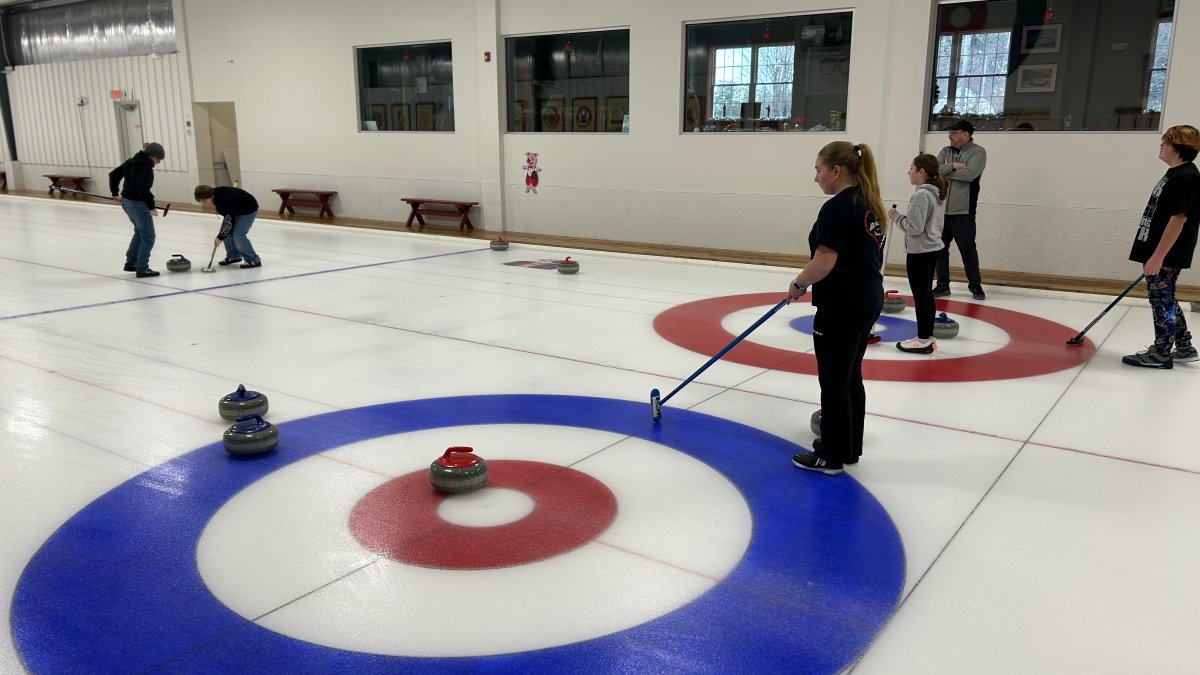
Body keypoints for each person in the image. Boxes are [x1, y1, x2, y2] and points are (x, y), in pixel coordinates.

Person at [788, 141, 887, 475]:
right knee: (850, 376)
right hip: (867, 299)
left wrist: (799, 283)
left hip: (842, 303)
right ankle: (848, 448)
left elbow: (824, 260)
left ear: (836, 170)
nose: (816, 177)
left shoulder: (838, 207)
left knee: (833, 381)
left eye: (818, 170)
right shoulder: (868, 203)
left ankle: (830, 455)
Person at [1122, 124, 1200, 368]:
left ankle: (1161, 352)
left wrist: (1158, 257)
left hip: (1167, 253)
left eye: (1165, 142)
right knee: (1165, 297)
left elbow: (1179, 219)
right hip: (1161, 251)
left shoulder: (1186, 177)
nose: (1161, 146)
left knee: (1161, 300)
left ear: (1177, 148)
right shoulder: (1176, 173)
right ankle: (1184, 346)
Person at [888, 153, 947, 354]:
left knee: (921, 296)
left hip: (921, 251)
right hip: (932, 248)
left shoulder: (922, 195)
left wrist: (896, 217)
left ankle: (923, 340)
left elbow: (914, 228)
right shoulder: (936, 192)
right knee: (926, 294)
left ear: (922, 172)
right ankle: (927, 337)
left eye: (911, 168)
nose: (909, 172)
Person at [933, 119, 987, 300]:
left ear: (966, 134)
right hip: (942, 209)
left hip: (964, 211)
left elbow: (970, 175)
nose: (950, 136)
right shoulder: (945, 151)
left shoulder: (978, 152)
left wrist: (945, 171)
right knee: (940, 249)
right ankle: (942, 285)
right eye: (949, 133)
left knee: (967, 249)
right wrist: (953, 166)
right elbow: (933, 171)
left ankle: (975, 285)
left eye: (954, 133)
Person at [110, 142, 165, 277]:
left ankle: (131, 262)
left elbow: (113, 175)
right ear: (151, 155)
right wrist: (151, 207)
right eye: (158, 158)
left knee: (140, 232)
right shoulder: (146, 167)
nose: (158, 162)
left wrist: (115, 193)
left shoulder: (131, 161)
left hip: (126, 202)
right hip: (138, 204)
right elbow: (142, 189)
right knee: (148, 236)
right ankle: (142, 268)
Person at [195, 185, 262, 268]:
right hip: (236, 209)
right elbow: (228, 219)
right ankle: (234, 256)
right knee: (226, 233)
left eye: (205, 201)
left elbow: (229, 222)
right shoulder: (216, 197)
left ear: (211, 196)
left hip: (248, 209)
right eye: (202, 201)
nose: (203, 204)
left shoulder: (224, 201)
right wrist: (221, 236)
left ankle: (253, 260)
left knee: (238, 235)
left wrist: (220, 237)